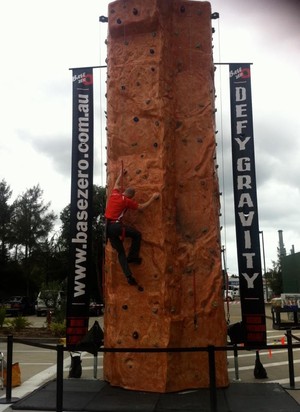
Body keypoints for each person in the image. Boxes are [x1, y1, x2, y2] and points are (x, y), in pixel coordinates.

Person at [105, 169, 160, 286]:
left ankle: (129, 276)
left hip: (108, 228)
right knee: (137, 235)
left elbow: (116, 184)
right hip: (116, 226)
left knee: (120, 252)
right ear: (131, 196)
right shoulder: (126, 201)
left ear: (124, 191)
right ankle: (133, 257)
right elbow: (141, 207)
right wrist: (153, 198)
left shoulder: (114, 194)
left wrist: (121, 174)